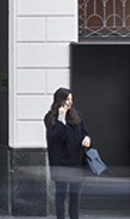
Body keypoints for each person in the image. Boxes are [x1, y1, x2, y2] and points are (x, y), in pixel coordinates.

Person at [45, 87, 91, 219]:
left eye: (71, 99)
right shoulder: (50, 118)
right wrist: (61, 119)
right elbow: (55, 137)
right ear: (59, 100)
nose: (70, 102)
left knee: (75, 196)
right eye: (67, 99)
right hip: (60, 163)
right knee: (61, 196)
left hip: (76, 162)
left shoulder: (77, 115)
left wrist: (86, 138)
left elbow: (84, 132)